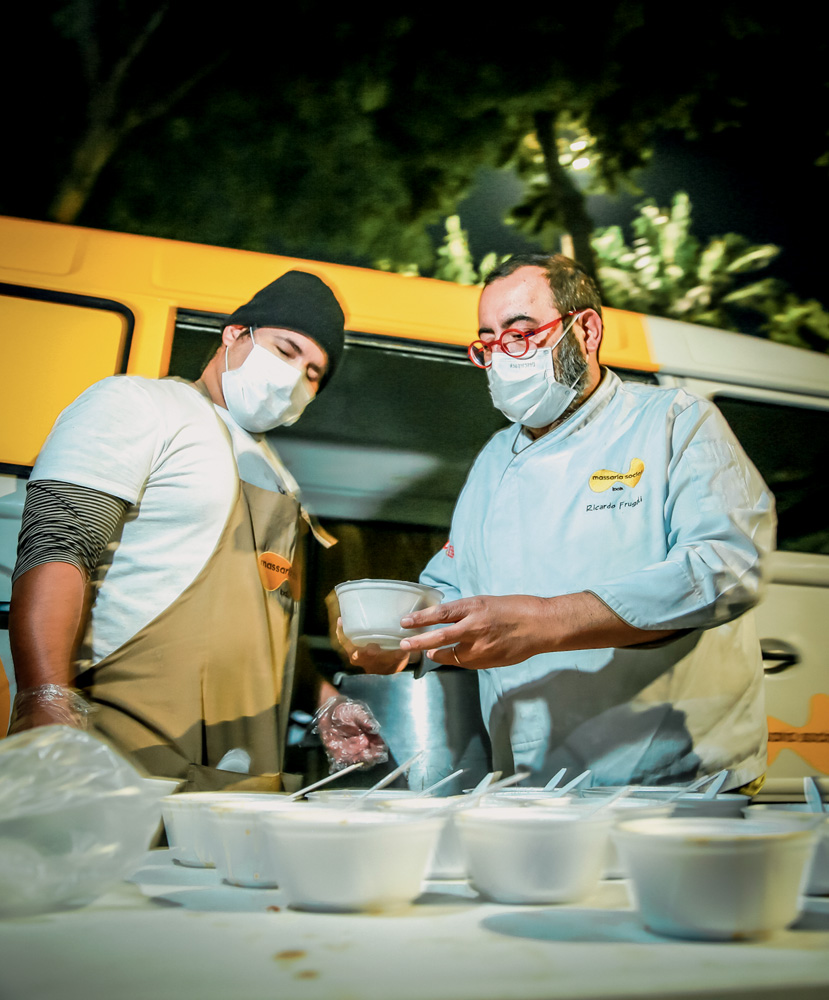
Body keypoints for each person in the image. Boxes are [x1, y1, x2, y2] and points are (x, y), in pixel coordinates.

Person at [344, 253, 775, 791]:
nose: (504, 356)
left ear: (586, 329)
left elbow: (728, 565)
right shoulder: (495, 460)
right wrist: (389, 631)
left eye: (521, 334)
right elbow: (452, 585)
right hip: (532, 786)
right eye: (490, 341)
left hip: (675, 778)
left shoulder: (672, 421)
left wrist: (549, 620)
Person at [9, 270, 348, 790]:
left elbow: (266, 622)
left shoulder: (282, 480)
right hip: (118, 753)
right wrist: (44, 696)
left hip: (242, 776)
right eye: (285, 350)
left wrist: (323, 700)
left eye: (312, 373)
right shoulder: (140, 405)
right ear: (235, 335)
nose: (295, 377)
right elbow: (58, 544)